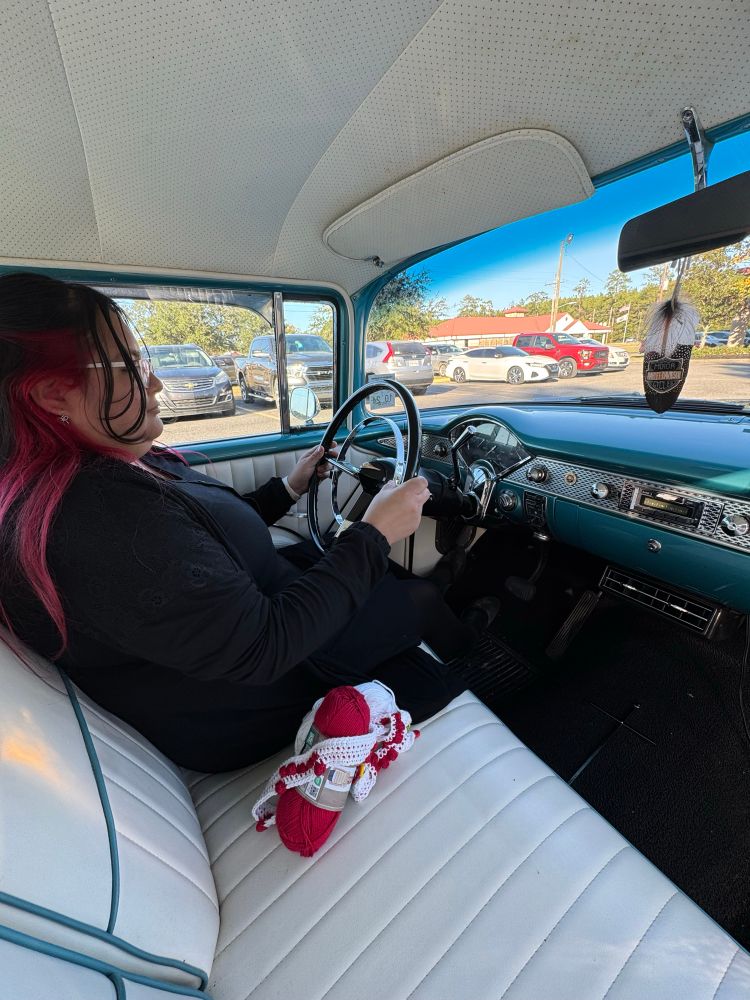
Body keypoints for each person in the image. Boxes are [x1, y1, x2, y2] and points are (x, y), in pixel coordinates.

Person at [0, 273, 494, 772]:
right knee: (418, 597)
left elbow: (201, 536)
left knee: (381, 576)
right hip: (263, 691)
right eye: (130, 365)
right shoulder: (98, 522)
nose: (155, 382)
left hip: (253, 622)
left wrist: (289, 488)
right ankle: (474, 653)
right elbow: (264, 648)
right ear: (53, 394)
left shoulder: (111, 465)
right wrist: (375, 533)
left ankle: (444, 610)